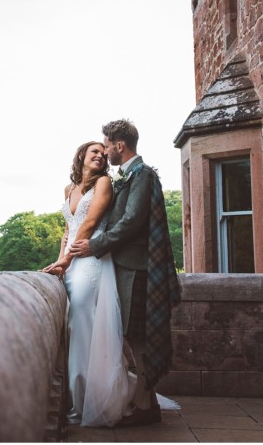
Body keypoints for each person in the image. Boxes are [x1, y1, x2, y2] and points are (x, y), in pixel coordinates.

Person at [69, 119, 181, 427]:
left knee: (137, 338)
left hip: (137, 270)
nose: (105, 151)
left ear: (120, 145)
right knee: (132, 338)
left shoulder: (142, 176)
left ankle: (146, 407)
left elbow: (131, 222)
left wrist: (96, 245)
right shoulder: (129, 176)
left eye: (106, 145)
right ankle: (148, 402)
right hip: (126, 268)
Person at [41, 141, 134, 427]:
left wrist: (68, 260)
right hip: (70, 263)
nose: (100, 156)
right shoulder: (68, 189)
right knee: (74, 329)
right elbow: (68, 229)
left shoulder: (104, 183)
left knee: (83, 329)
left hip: (90, 262)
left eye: (103, 154)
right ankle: (75, 399)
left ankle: (84, 404)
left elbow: (90, 223)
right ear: (81, 155)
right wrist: (59, 262)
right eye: (94, 151)